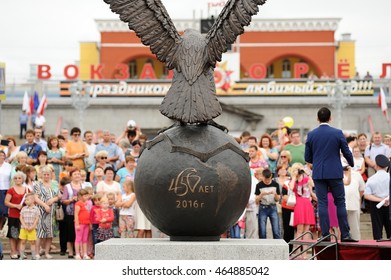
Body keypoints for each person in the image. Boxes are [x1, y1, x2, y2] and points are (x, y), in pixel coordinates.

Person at [304, 107, 357, 242]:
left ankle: (325, 235)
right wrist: (351, 163)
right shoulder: (337, 133)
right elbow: (346, 151)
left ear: (317, 119)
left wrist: (317, 161)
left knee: (322, 204)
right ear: (330, 118)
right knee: (340, 202)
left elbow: (307, 157)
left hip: (319, 172)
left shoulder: (311, 135)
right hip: (335, 172)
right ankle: (345, 235)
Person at [33, 165, 60, 259]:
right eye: (44, 174)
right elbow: (35, 198)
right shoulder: (37, 184)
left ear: (51, 174)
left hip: (52, 211)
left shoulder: (55, 183)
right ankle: (37, 253)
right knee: (40, 233)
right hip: (41, 211)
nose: (46, 176)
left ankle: (47, 253)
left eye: (48, 174)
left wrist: (53, 200)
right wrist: (44, 205)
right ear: (41, 175)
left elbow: (59, 196)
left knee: (50, 233)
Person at [363, 154, 391, 240]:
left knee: (377, 231)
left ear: (377, 166)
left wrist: (381, 200)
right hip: (389, 204)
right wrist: (386, 200)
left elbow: (367, 195)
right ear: (386, 166)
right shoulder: (389, 177)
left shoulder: (372, 179)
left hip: (376, 204)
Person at [4, 171, 31, 259]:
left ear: (23, 179)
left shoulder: (27, 190)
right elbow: (6, 202)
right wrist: (16, 205)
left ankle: (20, 251)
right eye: (15, 178)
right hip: (13, 215)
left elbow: (31, 200)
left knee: (22, 234)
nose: (17, 179)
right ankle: (13, 251)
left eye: (19, 178)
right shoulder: (11, 190)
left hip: (24, 216)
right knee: (13, 234)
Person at [289, 163, 316, 246]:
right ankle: (297, 251)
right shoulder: (293, 180)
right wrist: (294, 176)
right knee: (300, 228)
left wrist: (307, 173)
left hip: (307, 203)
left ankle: (304, 252)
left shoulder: (306, 178)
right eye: (296, 169)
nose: (299, 171)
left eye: (299, 169)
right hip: (299, 203)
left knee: (307, 229)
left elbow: (313, 184)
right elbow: (291, 187)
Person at [61, 168, 83, 258]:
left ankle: (80, 251)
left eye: (78, 174)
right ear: (71, 177)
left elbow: (90, 197)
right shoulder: (67, 187)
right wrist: (71, 200)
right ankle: (70, 251)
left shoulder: (84, 185)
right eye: (75, 174)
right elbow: (63, 200)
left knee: (81, 232)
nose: (77, 176)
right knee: (70, 232)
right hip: (70, 212)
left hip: (82, 213)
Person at [255, 168, 281, 239]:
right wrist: (261, 195)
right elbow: (256, 201)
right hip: (263, 207)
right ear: (262, 176)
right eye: (265, 179)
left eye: (268, 179)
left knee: (276, 231)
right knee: (262, 231)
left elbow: (277, 199)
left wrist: (275, 194)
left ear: (271, 176)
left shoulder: (275, 184)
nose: (267, 181)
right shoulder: (259, 185)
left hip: (273, 207)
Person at [19, 193, 40, 260]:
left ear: (33, 200)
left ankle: (33, 256)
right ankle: (21, 255)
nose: (25, 201)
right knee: (23, 241)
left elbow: (37, 218)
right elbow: (21, 217)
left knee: (32, 242)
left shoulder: (36, 209)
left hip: (32, 229)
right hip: (24, 228)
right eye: (25, 200)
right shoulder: (24, 208)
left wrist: (33, 226)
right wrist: (24, 225)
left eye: (27, 200)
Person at [74, 188, 91, 260]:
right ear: (80, 196)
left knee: (85, 239)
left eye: (87, 195)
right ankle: (77, 254)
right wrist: (77, 224)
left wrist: (90, 224)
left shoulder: (87, 203)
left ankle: (85, 254)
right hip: (80, 224)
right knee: (78, 239)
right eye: (85, 196)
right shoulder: (78, 204)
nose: (87, 197)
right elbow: (76, 214)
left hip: (86, 223)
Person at [0, 150, 12, 234]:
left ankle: (1, 227)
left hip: (5, 189)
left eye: (2, 155)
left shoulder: (8, 166)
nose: (1, 157)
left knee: (4, 211)